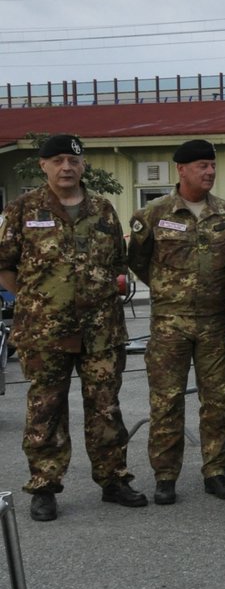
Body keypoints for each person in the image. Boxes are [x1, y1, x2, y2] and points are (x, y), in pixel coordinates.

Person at [0, 133, 147, 521]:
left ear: (83, 166)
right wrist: (36, 302)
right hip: (44, 332)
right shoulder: (21, 209)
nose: (67, 167)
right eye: (58, 160)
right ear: (43, 166)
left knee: (106, 407)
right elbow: (5, 266)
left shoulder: (103, 209)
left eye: (74, 160)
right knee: (45, 408)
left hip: (101, 330)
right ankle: (45, 486)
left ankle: (113, 479)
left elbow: (118, 262)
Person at [128, 138, 225, 504]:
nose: (209, 171)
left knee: (217, 400)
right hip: (169, 324)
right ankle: (165, 476)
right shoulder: (153, 212)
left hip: (214, 322)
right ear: (181, 169)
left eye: (212, 165)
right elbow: (137, 259)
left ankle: (215, 471)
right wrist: (168, 289)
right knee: (166, 401)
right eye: (201, 166)